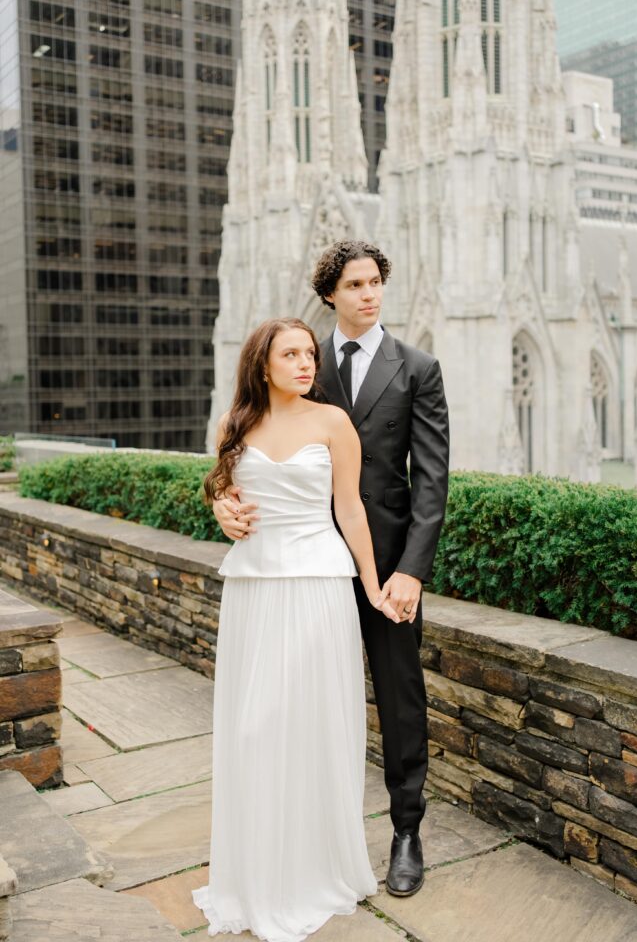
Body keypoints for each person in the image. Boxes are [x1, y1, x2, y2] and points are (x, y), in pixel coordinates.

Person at [213, 241, 450, 899]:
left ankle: (406, 833)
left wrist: (411, 571)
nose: (368, 294)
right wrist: (221, 503)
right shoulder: (298, 362)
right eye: (354, 284)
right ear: (329, 295)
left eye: (375, 282)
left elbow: (431, 481)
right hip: (301, 565)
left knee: (400, 698)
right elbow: (248, 444)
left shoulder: (417, 368)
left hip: (387, 565)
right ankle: (302, 840)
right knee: (293, 705)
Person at [193, 316, 400, 942]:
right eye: (291, 354)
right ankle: (258, 874)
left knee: (311, 724)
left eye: (310, 353)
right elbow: (223, 493)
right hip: (255, 589)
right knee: (254, 727)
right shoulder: (236, 425)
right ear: (263, 364)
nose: (307, 363)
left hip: (318, 587)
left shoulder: (333, 423)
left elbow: (350, 506)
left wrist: (371, 584)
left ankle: (314, 870)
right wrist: (222, 510)